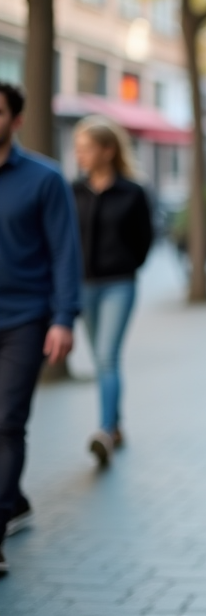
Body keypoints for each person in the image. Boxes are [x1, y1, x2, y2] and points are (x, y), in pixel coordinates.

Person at [0, 82, 82, 577]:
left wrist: (63, 318)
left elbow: (64, 252)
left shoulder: (44, 179)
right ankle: (14, 496)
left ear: (17, 119)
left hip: (25, 320)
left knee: (6, 421)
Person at [71, 116, 154, 466]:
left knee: (106, 357)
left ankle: (104, 430)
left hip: (119, 284)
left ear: (108, 150)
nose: (81, 156)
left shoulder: (132, 191)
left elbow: (145, 238)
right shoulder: (73, 190)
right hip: (83, 285)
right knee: (100, 359)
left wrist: (128, 264)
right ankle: (116, 425)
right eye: (78, 149)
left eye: (87, 148)